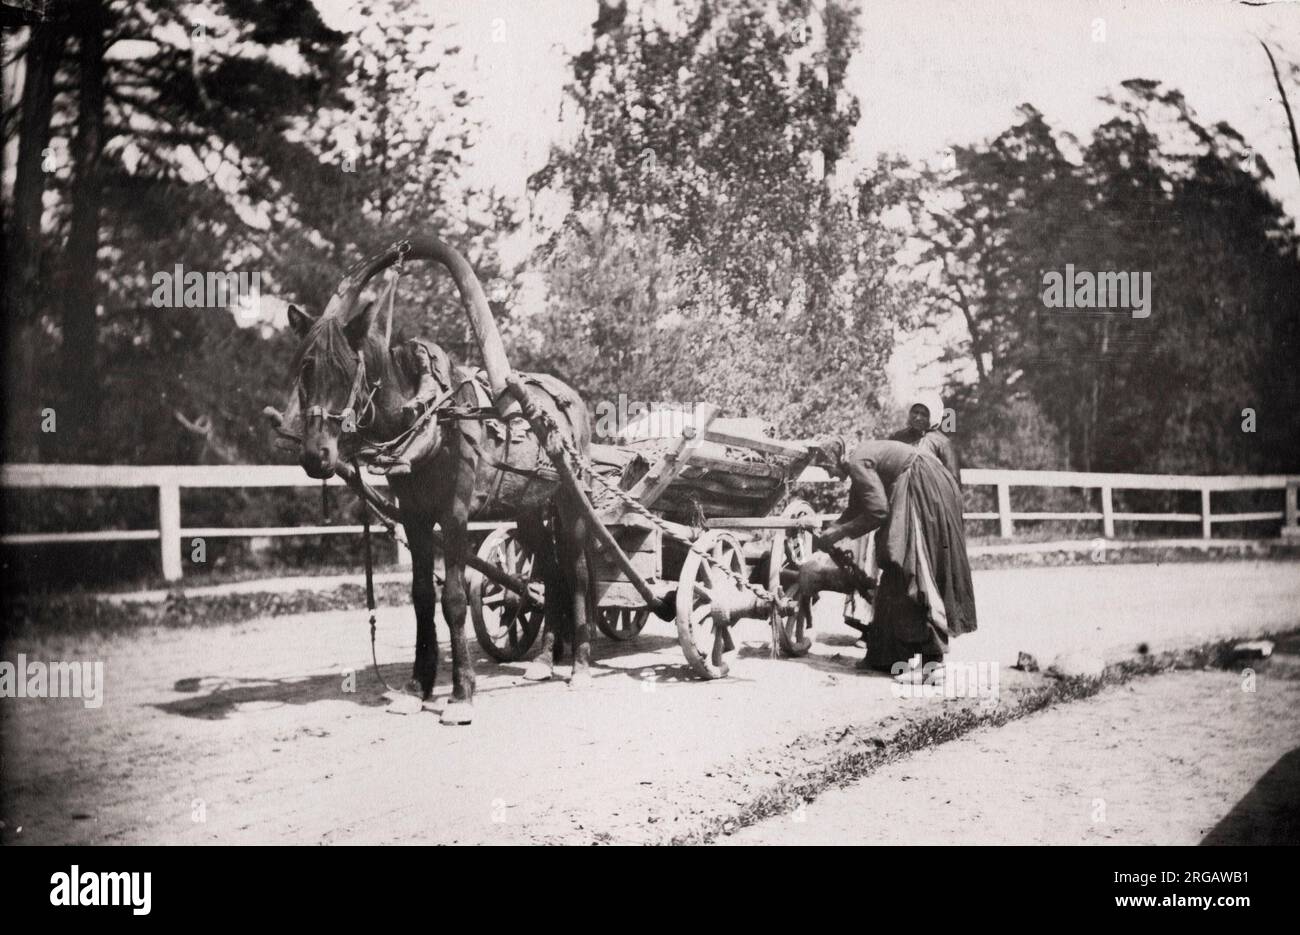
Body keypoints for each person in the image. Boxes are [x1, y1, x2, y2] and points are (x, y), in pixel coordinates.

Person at [809, 437, 977, 683]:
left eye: (827, 467)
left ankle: (933, 666)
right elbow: (857, 508)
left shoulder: (857, 462)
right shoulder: (858, 459)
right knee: (893, 574)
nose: (830, 475)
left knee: (910, 570)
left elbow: (877, 511)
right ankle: (884, 656)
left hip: (922, 486)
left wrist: (836, 533)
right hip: (926, 482)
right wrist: (831, 532)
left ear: (835, 458)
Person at [889, 394, 960, 481]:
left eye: (924, 414)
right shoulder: (897, 437)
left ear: (932, 416)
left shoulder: (942, 443)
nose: (918, 417)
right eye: (915, 412)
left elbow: (953, 480)